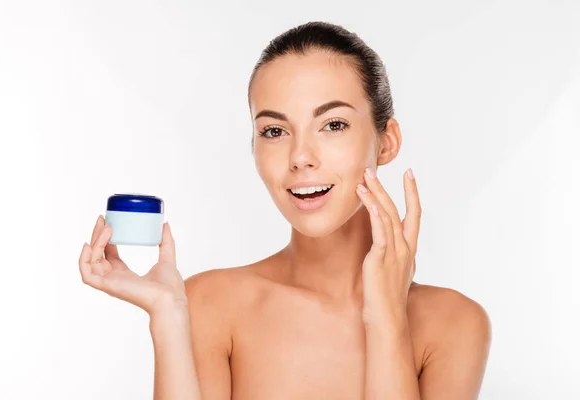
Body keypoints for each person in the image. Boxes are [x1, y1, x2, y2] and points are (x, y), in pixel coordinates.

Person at [79, 21, 491, 400]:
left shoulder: (454, 325)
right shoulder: (208, 304)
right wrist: (168, 316)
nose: (300, 157)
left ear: (386, 142)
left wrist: (387, 321)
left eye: (333, 125)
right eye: (274, 131)